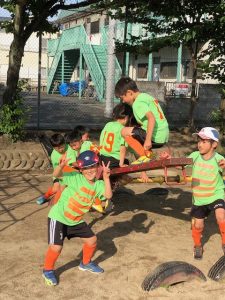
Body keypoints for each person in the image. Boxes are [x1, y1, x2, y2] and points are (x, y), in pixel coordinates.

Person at [42, 150, 112, 286]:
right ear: (81, 170)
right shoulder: (74, 176)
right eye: (86, 168)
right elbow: (56, 175)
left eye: (92, 166)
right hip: (59, 217)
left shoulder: (98, 185)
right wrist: (60, 167)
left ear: (97, 166)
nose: (90, 170)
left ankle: (85, 263)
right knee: (56, 247)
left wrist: (107, 177)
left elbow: (108, 196)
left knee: (92, 240)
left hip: (75, 220)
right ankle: (47, 270)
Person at [115, 77, 169, 181]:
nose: (123, 101)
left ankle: (147, 156)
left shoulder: (137, 104)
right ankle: (145, 164)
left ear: (130, 93)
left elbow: (151, 118)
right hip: (164, 135)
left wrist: (148, 140)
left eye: (122, 97)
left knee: (124, 132)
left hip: (155, 137)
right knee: (136, 142)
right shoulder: (146, 96)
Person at [187, 127, 225, 259]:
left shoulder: (219, 159)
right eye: (199, 140)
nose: (200, 144)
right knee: (198, 225)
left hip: (215, 194)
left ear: (214, 144)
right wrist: (169, 159)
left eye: (204, 141)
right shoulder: (194, 156)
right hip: (199, 198)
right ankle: (197, 245)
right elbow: (180, 164)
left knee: (221, 216)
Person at [37, 133, 69, 205]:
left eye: (61, 147)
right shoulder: (54, 156)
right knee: (56, 188)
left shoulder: (70, 147)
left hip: (71, 172)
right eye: (57, 148)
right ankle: (46, 196)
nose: (60, 150)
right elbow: (57, 171)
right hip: (59, 174)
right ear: (53, 148)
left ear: (65, 143)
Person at [99, 103, 132, 168]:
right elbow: (123, 147)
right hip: (112, 161)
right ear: (126, 118)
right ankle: (119, 176)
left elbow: (101, 138)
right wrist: (121, 164)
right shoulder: (123, 129)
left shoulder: (108, 124)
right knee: (126, 162)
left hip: (102, 158)